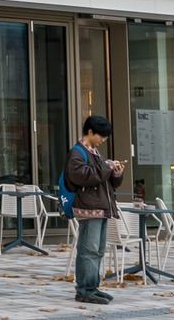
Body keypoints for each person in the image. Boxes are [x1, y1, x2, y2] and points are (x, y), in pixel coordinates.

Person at [65, 114, 125, 306]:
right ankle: (84, 290)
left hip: (100, 208)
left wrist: (116, 173)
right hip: (88, 208)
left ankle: (92, 287)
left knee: (97, 251)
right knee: (88, 250)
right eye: (101, 136)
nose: (103, 140)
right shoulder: (77, 152)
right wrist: (106, 166)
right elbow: (82, 176)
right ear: (90, 132)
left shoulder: (95, 153)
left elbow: (106, 181)